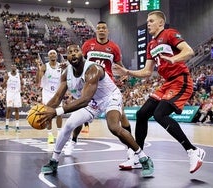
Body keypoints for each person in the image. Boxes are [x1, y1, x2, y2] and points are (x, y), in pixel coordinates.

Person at [37, 44, 154, 177]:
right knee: (69, 124)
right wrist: (44, 110)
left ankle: (143, 158)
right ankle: (54, 161)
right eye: (70, 52)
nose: (73, 54)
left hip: (109, 97)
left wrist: (56, 112)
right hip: (93, 103)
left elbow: (85, 99)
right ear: (66, 57)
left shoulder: (93, 69)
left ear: (82, 54)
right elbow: (58, 97)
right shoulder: (65, 73)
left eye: (76, 51)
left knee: (114, 127)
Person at [114, 10, 205, 174]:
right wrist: (127, 72)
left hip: (180, 80)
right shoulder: (151, 45)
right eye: (148, 21)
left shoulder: (170, 34)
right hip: (166, 84)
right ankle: (137, 156)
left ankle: (192, 151)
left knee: (160, 114)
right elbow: (147, 72)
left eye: (151, 21)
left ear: (161, 23)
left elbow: (189, 51)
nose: (148, 23)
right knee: (142, 114)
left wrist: (174, 59)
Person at [65, 21, 140, 170]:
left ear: (107, 31)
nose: (101, 30)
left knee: (122, 116)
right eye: (98, 28)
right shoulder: (87, 45)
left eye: (103, 28)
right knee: (81, 113)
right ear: (96, 31)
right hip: (89, 84)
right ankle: (73, 141)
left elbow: (119, 65)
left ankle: (131, 151)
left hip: (107, 85)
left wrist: (124, 73)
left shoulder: (114, 48)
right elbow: (78, 61)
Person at [36, 49, 62, 144]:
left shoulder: (61, 66)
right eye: (50, 53)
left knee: (59, 113)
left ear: (56, 55)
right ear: (48, 56)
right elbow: (38, 81)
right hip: (47, 92)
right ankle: (50, 135)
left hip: (57, 92)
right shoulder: (45, 66)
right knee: (48, 115)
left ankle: (59, 133)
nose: (52, 55)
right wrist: (39, 70)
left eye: (54, 53)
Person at [2, 63, 23, 132]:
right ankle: (7, 125)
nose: (13, 67)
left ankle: (17, 126)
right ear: (11, 67)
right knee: (8, 109)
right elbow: (3, 86)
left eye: (15, 66)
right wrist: (5, 80)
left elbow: (22, 83)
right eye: (12, 66)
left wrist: (21, 85)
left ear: (16, 67)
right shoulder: (7, 75)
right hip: (10, 93)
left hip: (17, 93)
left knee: (17, 109)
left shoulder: (19, 75)